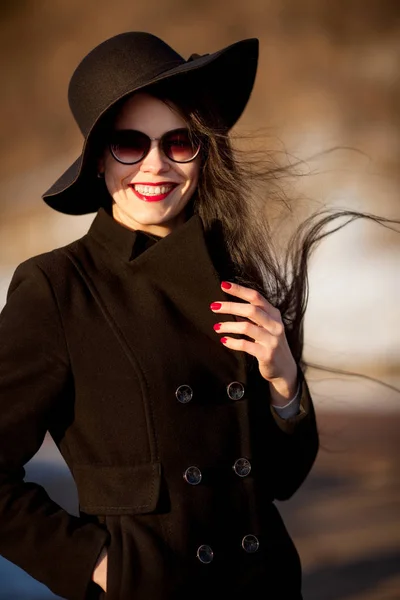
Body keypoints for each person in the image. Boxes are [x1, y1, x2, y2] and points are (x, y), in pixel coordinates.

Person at [0, 32, 319, 600]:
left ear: (203, 151)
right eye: (130, 143)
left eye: (178, 141)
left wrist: (284, 385)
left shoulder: (235, 279)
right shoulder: (57, 288)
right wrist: (99, 565)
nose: (155, 165)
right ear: (99, 158)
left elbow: (284, 480)